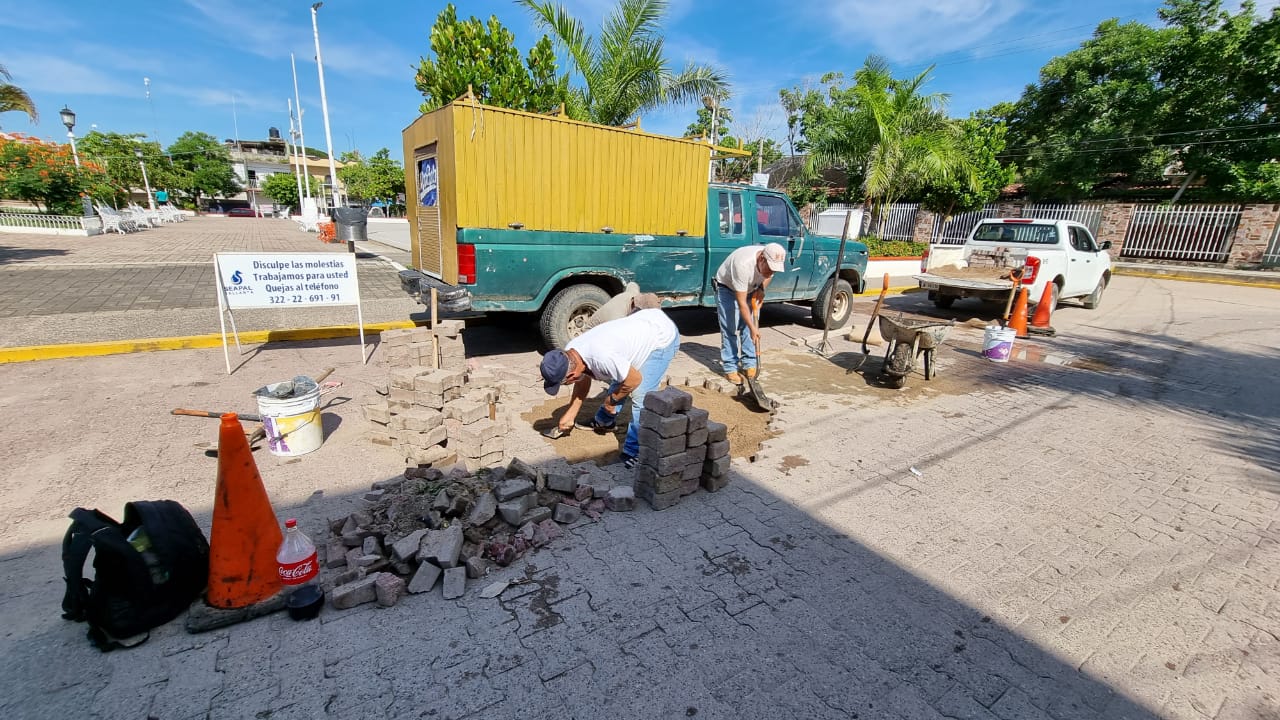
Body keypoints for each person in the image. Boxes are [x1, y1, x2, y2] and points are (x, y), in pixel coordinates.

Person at [540, 308, 680, 469]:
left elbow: (634, 379)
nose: (566, 384)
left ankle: (635, 452)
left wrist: (611, 401)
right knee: (619, 381)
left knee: (641, 396)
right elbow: (583, 380)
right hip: (641, 328)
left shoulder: (602, 357)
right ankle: (604, 421)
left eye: (562, 383)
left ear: (570, 375)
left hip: (661, 336)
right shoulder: (571, 352)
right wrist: (570, 414)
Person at [713, 243, 785, 384]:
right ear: (762, 259)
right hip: (727, 288)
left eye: (774, 270)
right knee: (730, 327)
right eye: (769, 269)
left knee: (748, 329)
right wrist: (754, 328)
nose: (771, 273)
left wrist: (761, 290)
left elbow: (769, 275)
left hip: (750, 287)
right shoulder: (743, 265)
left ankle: (749, 364)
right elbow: (742, 304)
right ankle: (730, 368)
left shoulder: (769, 263)